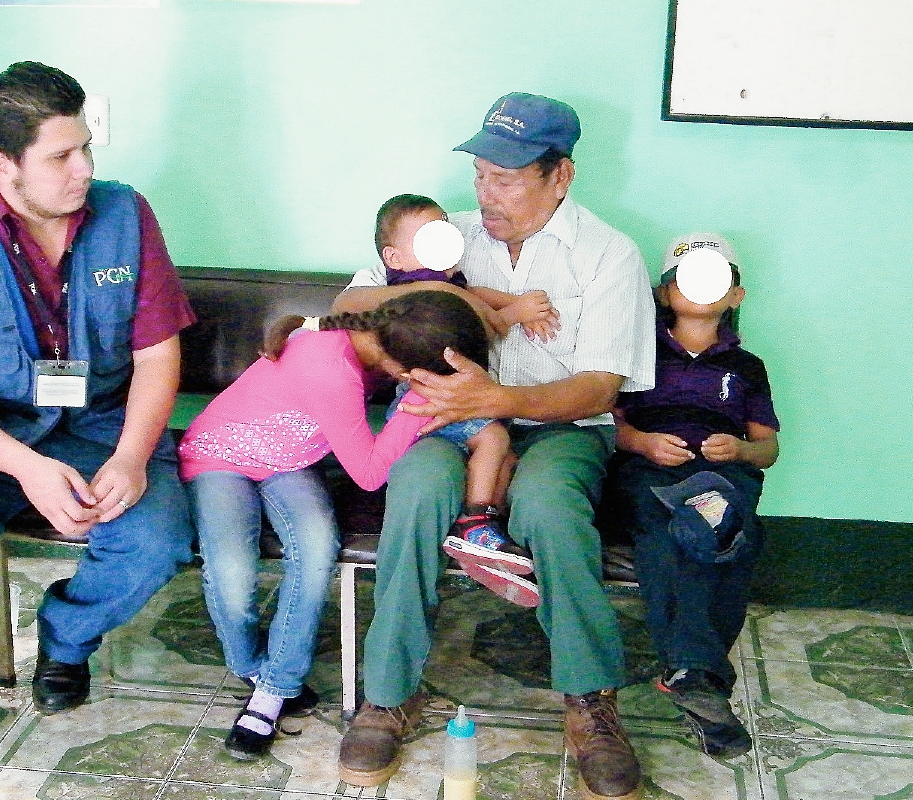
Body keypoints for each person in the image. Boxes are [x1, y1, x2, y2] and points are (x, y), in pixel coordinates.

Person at [332, 92, 656, 799]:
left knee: (548, 505)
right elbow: (348, 309)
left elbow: (600, 389)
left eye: (506, 178)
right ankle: (387, 694)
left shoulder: (609, 255)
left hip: (560, 428)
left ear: (560, 176)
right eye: (481, 174)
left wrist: (498, 400)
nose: (486, 194)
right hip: (442, 420)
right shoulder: (445, 236)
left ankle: (590, 699)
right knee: (416, 489)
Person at [0, 62, 196, 777]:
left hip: (101, 426)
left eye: (86, 147)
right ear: (3, 165)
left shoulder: (127, 214)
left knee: (159, 538)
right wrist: (23, 464)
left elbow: (156, 355)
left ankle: (67, 637)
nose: (84, 167)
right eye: (60, 155)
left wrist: (131, 457)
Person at [178, 291, 490, 760]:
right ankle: (253, 669)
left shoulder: (368, 335)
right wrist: (417, 403)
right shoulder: (330, 364)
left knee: (318, 544)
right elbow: (368, 474)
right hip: (219, 456)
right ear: (407, 372)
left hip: (290, 461)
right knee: (231, 567)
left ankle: (274, 687)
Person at [605, 233, 779, 759]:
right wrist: (641, 442)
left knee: (726, 530)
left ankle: (690, 670)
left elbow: (768, 448)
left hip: (722, 475)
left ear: (735, 295)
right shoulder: (637, 352)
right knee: (665, 528)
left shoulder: (746, 366)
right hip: (650, 470)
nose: (699, 287)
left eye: (714, 276)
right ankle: (699, 675)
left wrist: (741, 451)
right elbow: (606, 421)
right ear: (663, 292)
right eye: (685, 275)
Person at [374, 194, 537, 602]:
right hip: (426, 400)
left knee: (509, 458)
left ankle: (484, 535)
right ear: (393, 257)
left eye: (445, 229)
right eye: (429, 236)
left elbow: (476, 295)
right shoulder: (413, 293)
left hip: (446, 400)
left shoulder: (446, 282)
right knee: (495, 439)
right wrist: (515, 312)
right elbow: (482, 319)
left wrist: (513, 300)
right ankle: (476, 524)